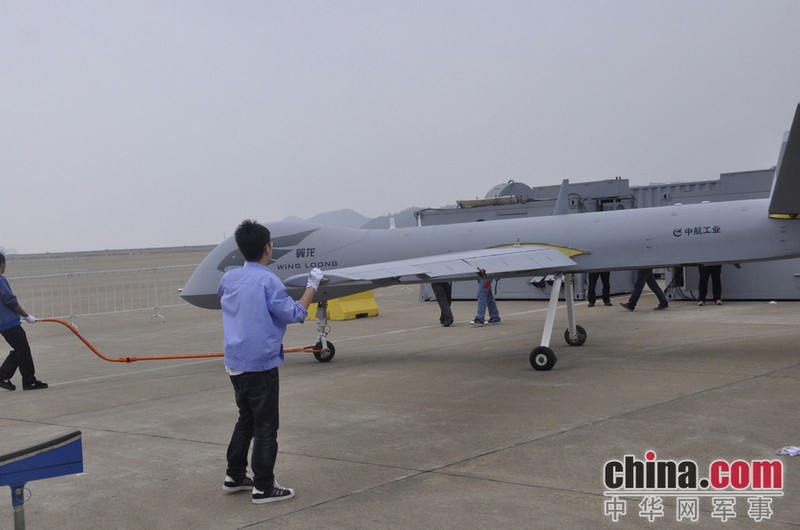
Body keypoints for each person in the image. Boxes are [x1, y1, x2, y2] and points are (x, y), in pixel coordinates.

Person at [218, 220, 324, 505]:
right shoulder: (268, 281)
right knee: (266, 426)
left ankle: (235, 475)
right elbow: (295, 313)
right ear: (267, 248)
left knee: (246, 419)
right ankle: (263, 486)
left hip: (235, 361)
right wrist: (312, 284)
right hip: (260, 364)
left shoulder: (228, 278)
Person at [0, 253, 48, 391]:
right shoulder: (1, 280)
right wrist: (26, 315)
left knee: (20, 349)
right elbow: (10, 301)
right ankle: (28, 381)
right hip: (9, 323)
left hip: (3, 323)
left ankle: (3, 375)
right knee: (23, 350)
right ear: (2, 264)